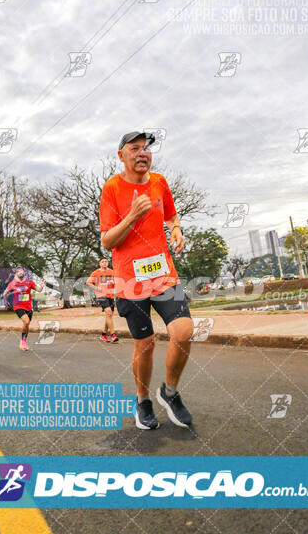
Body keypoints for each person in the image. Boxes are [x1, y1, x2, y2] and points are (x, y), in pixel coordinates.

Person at [100, 131, 193, 430]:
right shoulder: (111, 188)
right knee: (146, 344)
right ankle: (143, 399)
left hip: (163, 275)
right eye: (135, 148)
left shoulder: (159, 182)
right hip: (130, 281)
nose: (143, 153)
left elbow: (171, 215)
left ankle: (169, 391)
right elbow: (107, 241)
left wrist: (176, 229)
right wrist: (130, 217)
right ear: (121, 156)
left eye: (147, 149)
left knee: (183, 331)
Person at [3, 267, 45, 351]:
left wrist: (41, 286)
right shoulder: (12, 283)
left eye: (22, 271)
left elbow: (38, 290)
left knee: (27, 325)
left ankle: (24, 341)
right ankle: (22, 342)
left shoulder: (29, 282)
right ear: (16, 274)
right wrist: (5, 301)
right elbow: (5, 292)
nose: (20, 272)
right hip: (18, 306)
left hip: (28, 307)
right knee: (26, 321)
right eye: (18, 271)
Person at [86, 258, 118, 343]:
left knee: (109, 316)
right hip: (101, 295)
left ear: (108, 263)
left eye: (106, 261)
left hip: (110, 295)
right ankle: (113, 335)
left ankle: (103, 334)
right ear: (100, 263)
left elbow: (117, 282)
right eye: (102, 262)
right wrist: (96, 288)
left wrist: (113, 282)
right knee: (109, 312)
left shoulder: (112, 272)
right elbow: (88, 282)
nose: (104, 263)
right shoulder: (96, 273)